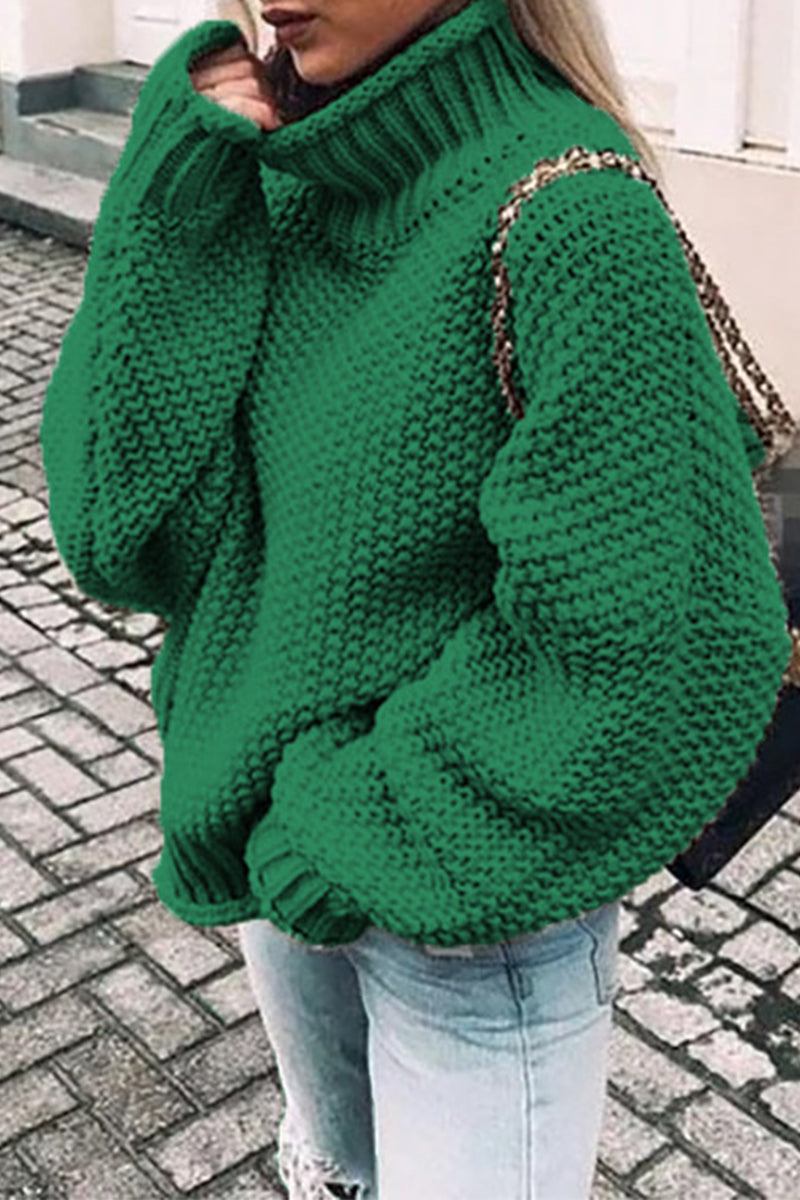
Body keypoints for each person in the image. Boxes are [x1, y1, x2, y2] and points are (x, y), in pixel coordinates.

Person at [39, 0, 792, 1197]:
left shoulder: (567, 212)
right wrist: (169, 205)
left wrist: (345, 827)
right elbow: (120, 538)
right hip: (281, 852)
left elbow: (651, 639)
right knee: (337, 1173)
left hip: (473, 918)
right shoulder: (287, 175)